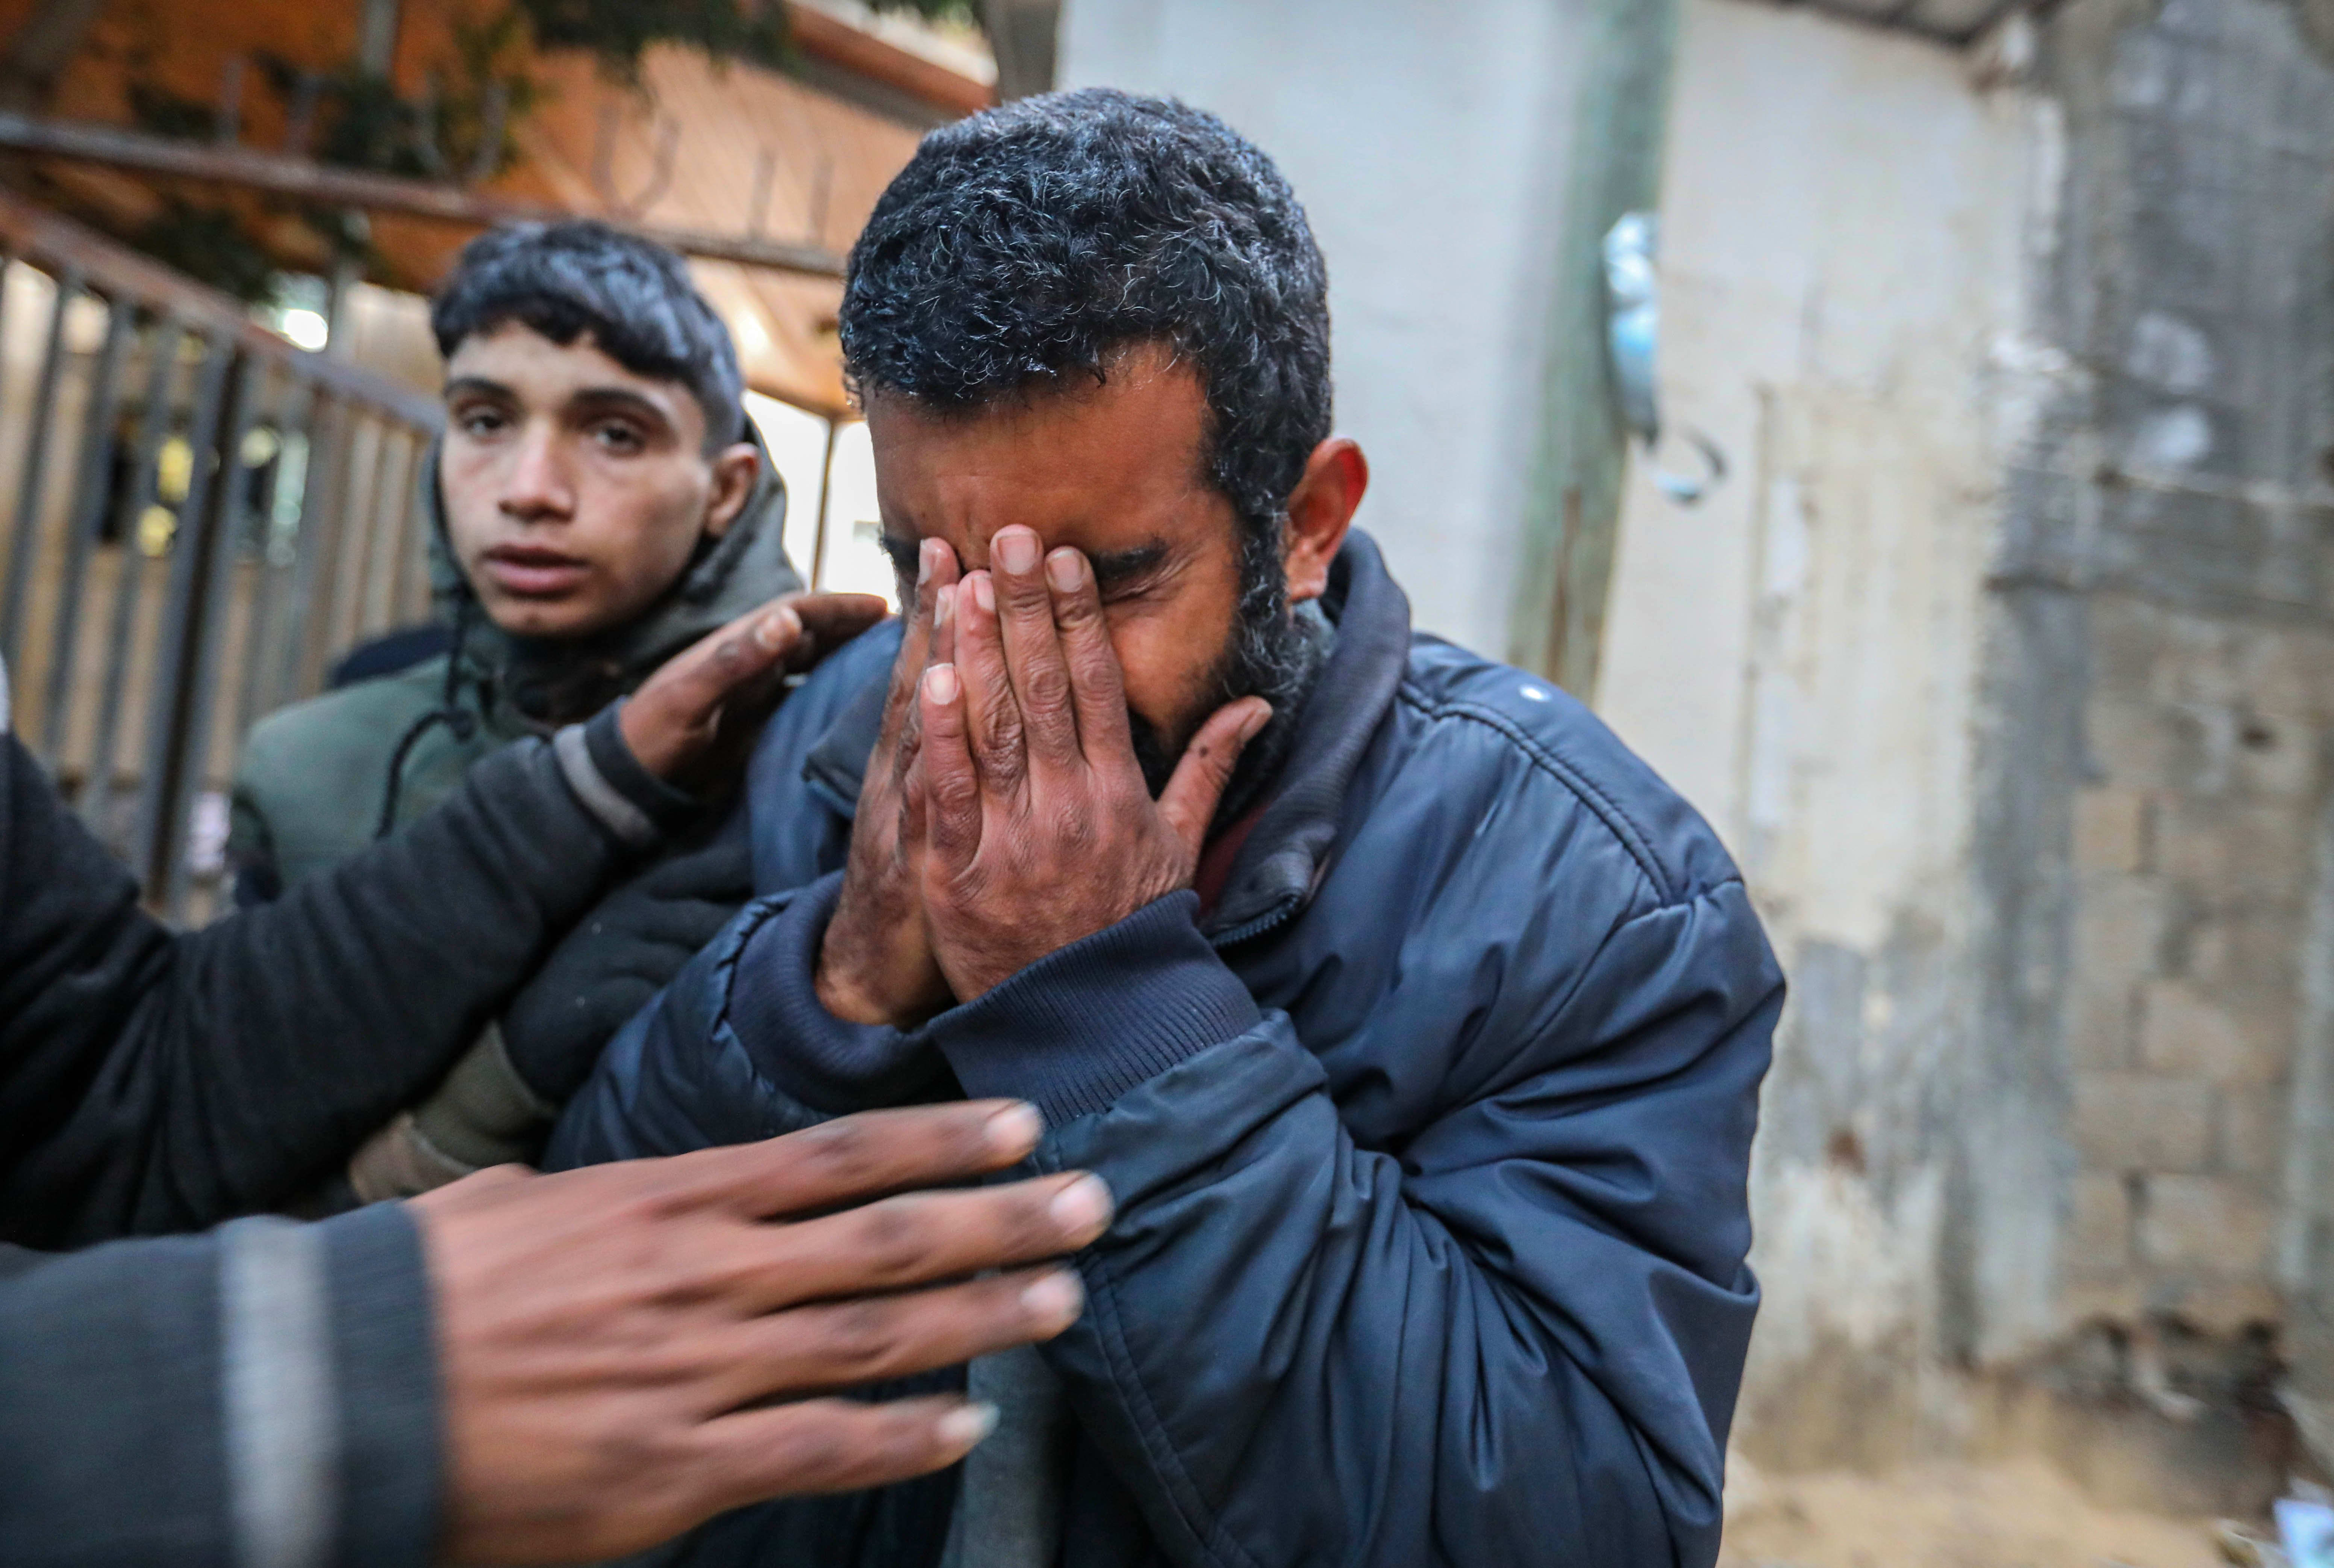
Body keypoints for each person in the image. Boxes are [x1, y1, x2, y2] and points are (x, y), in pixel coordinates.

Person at [552, 90, 1784, 1568]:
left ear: (1305, 521)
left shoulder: (1592, 899)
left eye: (1103, 584)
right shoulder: (839, 741)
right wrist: (818, 998)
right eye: (928, 569)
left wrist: (1117, 1019)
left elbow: (1571, 1525)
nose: (986, 671)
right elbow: (584, 1314)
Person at [0, 605, 1117, 1566]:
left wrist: (583, 790)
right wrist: (301, 1374)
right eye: (931, 568)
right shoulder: (322, 744)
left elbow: (115, 1077)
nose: (533, 488)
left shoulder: (788, 736)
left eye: (1109, 580)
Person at [229, 220, 806, 1199]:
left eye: (614, 432)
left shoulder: (819, 756)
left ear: (724, 489)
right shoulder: (307, 764)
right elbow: (227, 1173)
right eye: (486, 420)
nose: (529, 491)